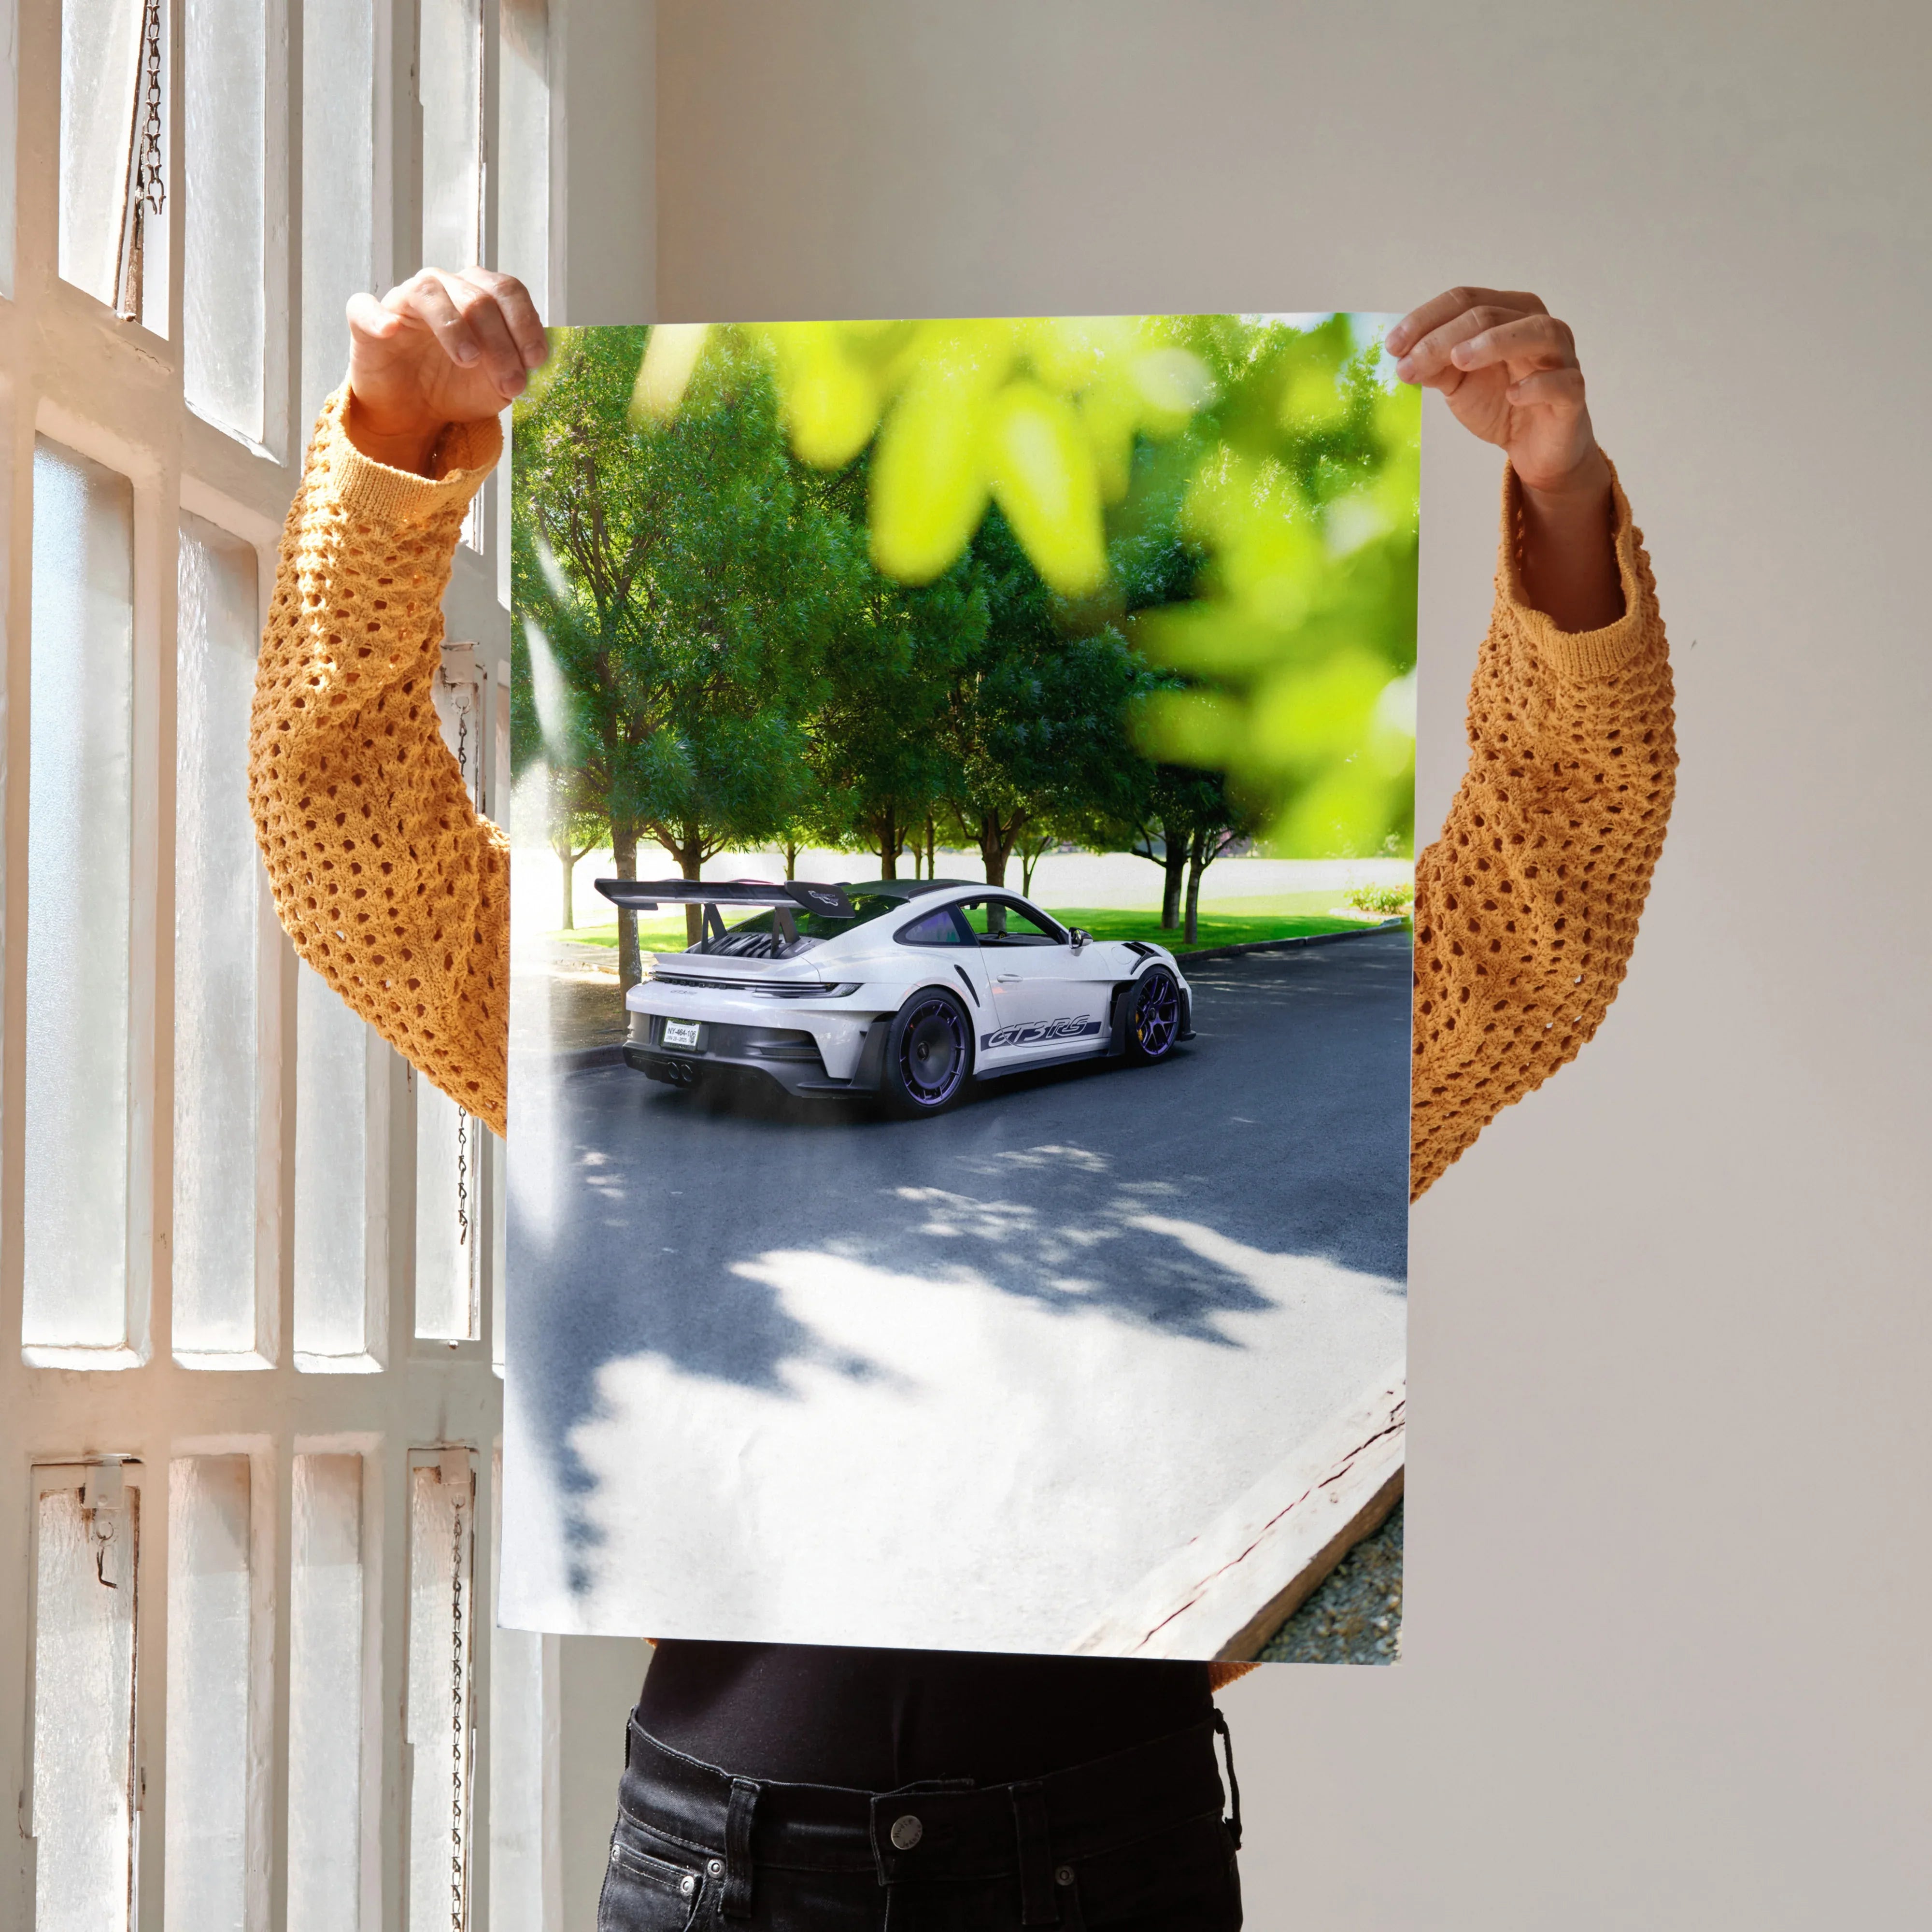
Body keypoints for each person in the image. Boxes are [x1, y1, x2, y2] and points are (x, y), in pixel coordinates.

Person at [250, 271, 1674, 1929]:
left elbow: (1544, 912)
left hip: (1101, 1855)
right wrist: (393, 448)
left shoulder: (1222, 1073)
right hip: (730, 1870)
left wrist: (1561, 497)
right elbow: (347, 843)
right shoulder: (652, 1075)